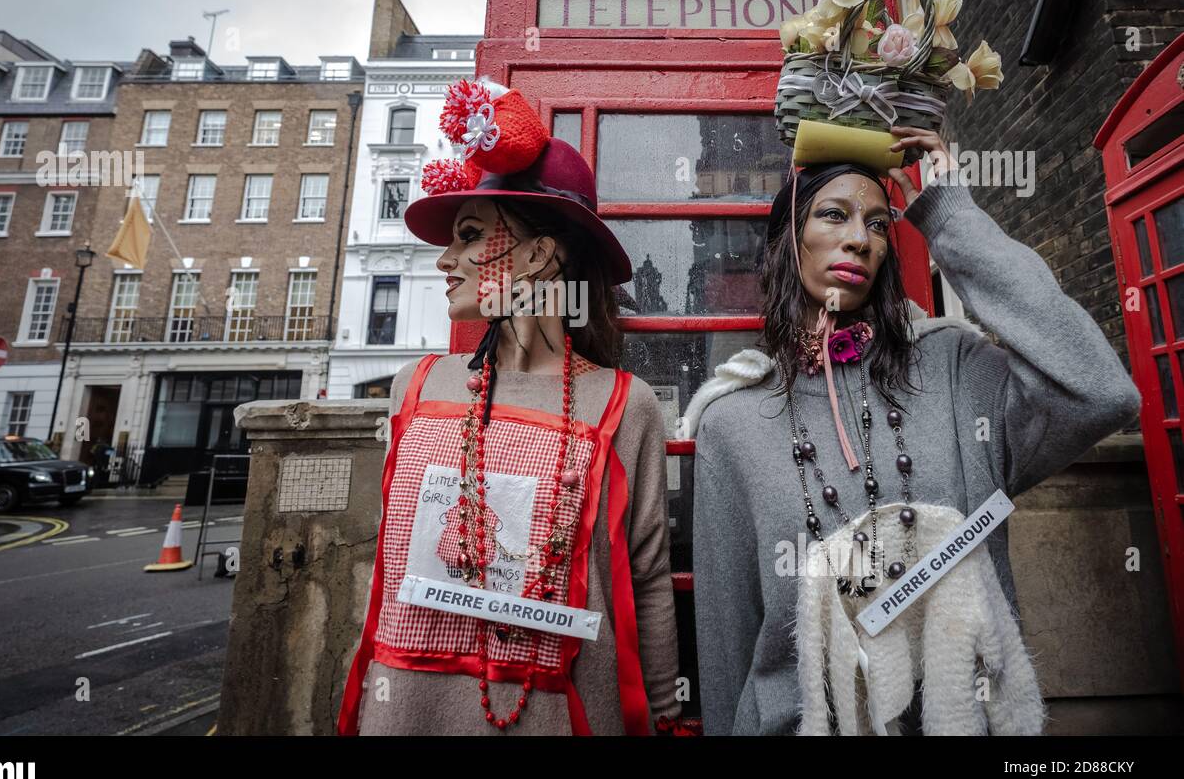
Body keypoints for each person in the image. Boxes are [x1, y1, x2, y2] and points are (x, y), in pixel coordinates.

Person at [687, 125, 1141, 735]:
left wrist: (951, 214)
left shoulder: (954, 371)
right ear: (786, 243)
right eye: (833, 215)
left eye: (878, 223)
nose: (859, 239)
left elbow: (1100, 390)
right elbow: (727, 641)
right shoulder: (731, 422)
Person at [338, 78, 681, 735]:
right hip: (407, 711)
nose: (445, 259)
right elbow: (383, 566)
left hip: (561, 713)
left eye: (469, 235)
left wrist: (665, 718)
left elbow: (649, 578)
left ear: (539, 256)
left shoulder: (625, 405)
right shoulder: (415, 386)